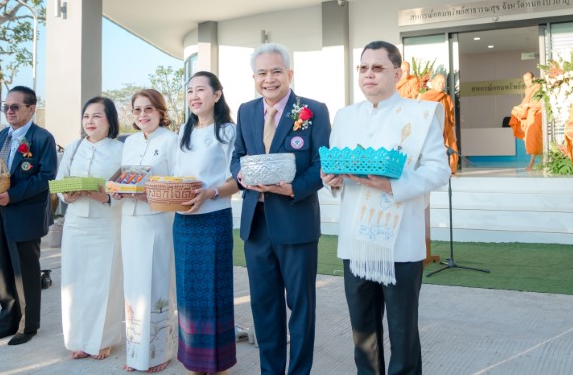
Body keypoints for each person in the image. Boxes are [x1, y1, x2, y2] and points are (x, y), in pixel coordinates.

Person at [322, 41, 451, 375]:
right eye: (363, 68)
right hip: (356, 240)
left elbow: (440, 170)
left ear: (398, 73)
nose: (368, 74)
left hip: (400, 240)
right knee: (363, 331)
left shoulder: (420, 114)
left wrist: (393, 185)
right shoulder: (345, 116)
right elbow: (335, 168)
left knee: (402, 329)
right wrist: (331, 179)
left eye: (377, 67)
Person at [230, 43, 330, 375]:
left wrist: (293, 188)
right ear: (254, 77)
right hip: (256, 225)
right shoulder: (246, 111)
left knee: (301, 307)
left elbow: (321, 163)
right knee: (264, 307)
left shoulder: (313, 110)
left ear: (289, 73)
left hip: (296, 221)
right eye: (262, 73)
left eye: (276, 71)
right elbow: (237, 155)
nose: (269, 79)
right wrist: (240, 175)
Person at [0, 85, 57, 346]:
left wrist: (14, 195)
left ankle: (28, 326)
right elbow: (2, 165)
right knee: (5, 269)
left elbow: (46, 177)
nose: (9, 111)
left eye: (15, 107)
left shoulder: (42, 138)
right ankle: (8, 322)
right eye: (6, 107)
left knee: (25, 273)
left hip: (26, 213)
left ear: (31, 109)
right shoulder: (4, 135)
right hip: (2, 211)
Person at [174, 72, 239, 375]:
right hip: (183, 221)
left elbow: (238, 179)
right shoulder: (183, 132)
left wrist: (210, 193)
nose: (194, 96)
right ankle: (193, 361)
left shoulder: (228, 131)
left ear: (217, 94)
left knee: (215, 290)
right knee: (187, 291)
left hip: (213, 219)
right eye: (189, 91)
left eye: (200, 90)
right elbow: (176, 175)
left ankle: (218, 364)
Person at [56, 97, 124, 360]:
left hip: (106, 223)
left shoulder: (120, 150)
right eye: (86, 116)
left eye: (96, 116)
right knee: (74, 282)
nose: (90, 121)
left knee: (103, 281)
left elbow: (124, 191)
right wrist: (67, 194)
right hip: (75, 224)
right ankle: (79, 339)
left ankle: (103, 340)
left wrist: (102, 195)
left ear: (109, 120)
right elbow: (60, 183)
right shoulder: (74, 147)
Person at [117, 89, 178, 373]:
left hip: (157, 222)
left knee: (157, 284)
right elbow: (124, 176)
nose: (143, 115)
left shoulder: (171, 140)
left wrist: (148, 194)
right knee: (134, 287)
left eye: (149, 109)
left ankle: (159, 352)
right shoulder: (129, 141)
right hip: (129, 221)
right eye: (137, 110)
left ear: (161, 112)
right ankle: (136, 353)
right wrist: (118, 189)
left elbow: (178, 183)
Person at [419, 73, 459, 173]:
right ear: (433, 83)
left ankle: (449, 170)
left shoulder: (447, 98)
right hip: (431, 130)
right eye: (439, 82)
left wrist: (454, 133)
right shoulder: (425, 97)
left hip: (446, 130)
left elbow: (451, 118)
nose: (441, 85)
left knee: (451, 149)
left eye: (443, 83)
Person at [509, 71, 543, 170]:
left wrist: (529, 105)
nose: (527, 82)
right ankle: (540, 162)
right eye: (525, 81)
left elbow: (541, 103)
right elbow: (525, 101)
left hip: (537, 115)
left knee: (534, 138)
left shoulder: (539, 87)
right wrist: (518, 107)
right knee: (531, 138)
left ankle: (532, 163)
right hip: (530, 116)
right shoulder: (527, 90)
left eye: (528, 80)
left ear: (533, 79)